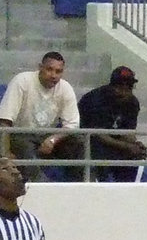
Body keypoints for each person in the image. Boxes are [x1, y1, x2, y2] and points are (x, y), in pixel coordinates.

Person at [0, 52, 84, 182]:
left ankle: (83, 184)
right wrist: (5, 153)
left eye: (58, 71)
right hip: (20, 133)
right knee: (24, 146)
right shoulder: (22, 81)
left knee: (78, 143)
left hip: (47, 135)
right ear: (40, 67)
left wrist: (53, 140)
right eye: (49, 69)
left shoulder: (65, 88)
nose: (53, 75)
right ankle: (41, 185)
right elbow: (5, 121)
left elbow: (72, 124)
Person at [76, 67, 147, 183]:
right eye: (120, 85)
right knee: (98, 153)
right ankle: (101, 187)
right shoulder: (95, 99)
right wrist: (127, 146)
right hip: (88, 141)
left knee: (135, 155)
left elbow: (128, 132)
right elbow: (97, 134)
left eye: (129, 86)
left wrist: (135, 144)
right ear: (112, 86)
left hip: (114, 142)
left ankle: (126, 190)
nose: (124, 89)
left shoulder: (132, 102)